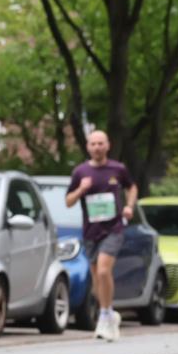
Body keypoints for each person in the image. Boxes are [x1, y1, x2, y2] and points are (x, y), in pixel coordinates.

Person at [65, 130, 138, 342]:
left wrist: (128, 207)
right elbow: (68, 201)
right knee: (97, 277)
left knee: (105, 271)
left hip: (113, 228)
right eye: (93, 144)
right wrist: (81, 189)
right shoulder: (81, 172)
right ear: (88, 147)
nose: (97, 147)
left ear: (108, 145)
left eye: (100, 143)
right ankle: (108, 312)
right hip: (91, 231)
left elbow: (132, 187)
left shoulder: (118, 169)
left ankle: (105, 315)